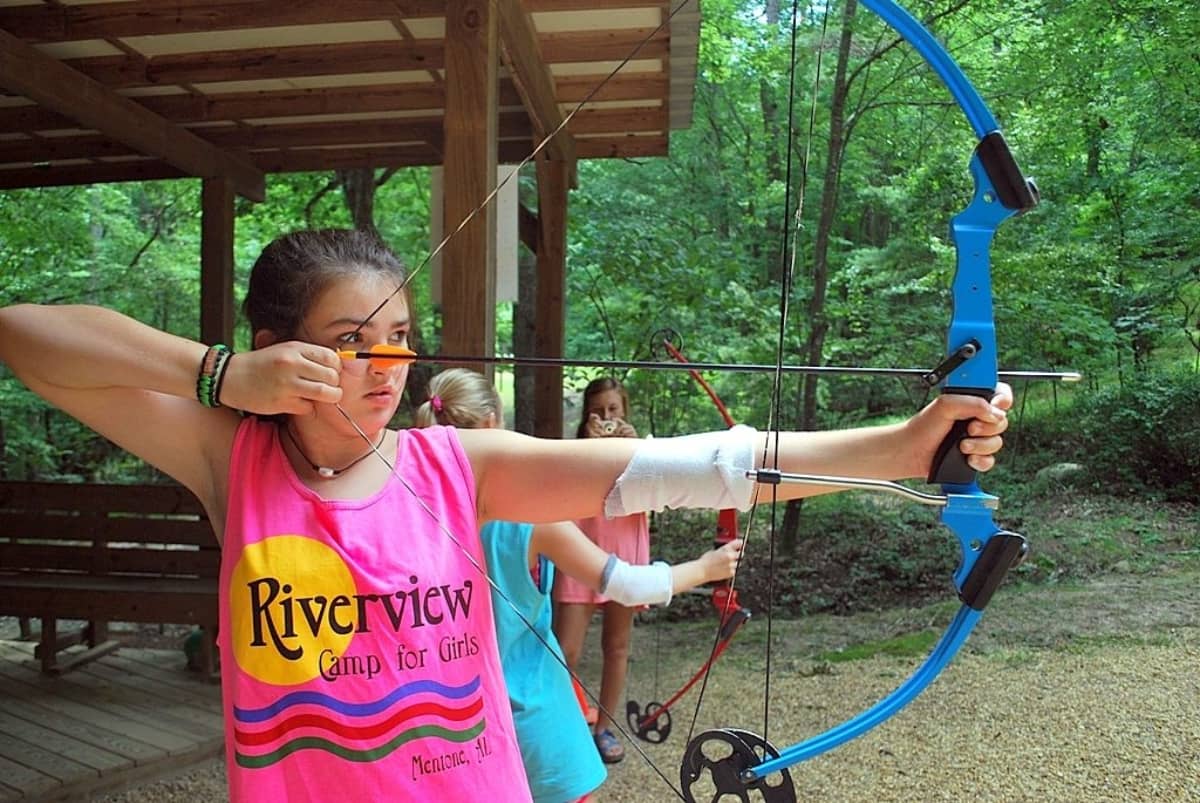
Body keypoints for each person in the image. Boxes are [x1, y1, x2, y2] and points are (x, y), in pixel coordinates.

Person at [0, 228, 1012, 802]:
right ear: (280, 349)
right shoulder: (236, 457)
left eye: (398, 336)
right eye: (352, 341)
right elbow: (26, 335)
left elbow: (694, 468)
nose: (387, 365)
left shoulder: (455, 464)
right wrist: (218, 374)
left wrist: (904, 447)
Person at [414, 368, 744, 802]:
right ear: (493, 424)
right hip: (533, 728)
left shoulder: (409, 515)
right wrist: (707, 567)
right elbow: (626, 584)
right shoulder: (530, 519)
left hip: (448, 731)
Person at [552, 377, 647, 763]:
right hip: (580, 548)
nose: (607, 418)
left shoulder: (641, 450)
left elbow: (656, 495)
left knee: (617, 646)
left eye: (614, 410)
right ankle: (563, 725)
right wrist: (591, 448)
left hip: (624, 549)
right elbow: (561, 490)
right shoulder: (575, 450)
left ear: (624, 412)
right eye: (599, 411)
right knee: (565, 650)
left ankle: (605, 728)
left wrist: (635, 448)